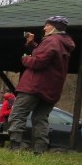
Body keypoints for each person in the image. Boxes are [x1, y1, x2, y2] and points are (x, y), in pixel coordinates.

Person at [7, 15, 75, 153]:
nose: (44, 28)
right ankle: (40, 151)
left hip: (34, 86)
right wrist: (32, 45)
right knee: (40, 118)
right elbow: (46, 55)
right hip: (51, 90)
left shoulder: (51, 40)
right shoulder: (62, 42)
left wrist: (25, 59)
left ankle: (14, 149)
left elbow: (39, 62)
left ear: (55, 27)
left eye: (47, 25)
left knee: (18, 115)